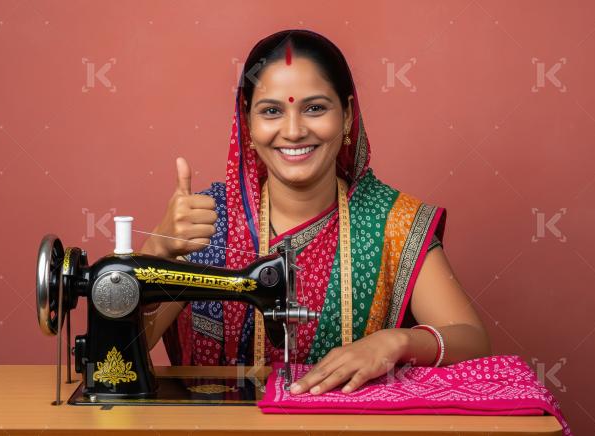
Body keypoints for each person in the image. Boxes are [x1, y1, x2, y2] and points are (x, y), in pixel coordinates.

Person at [139, 29, 491, 395]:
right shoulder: (204, 222)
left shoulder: (394, 223)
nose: (293, 131)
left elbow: (472, 340)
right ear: (247, 121)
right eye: (272, 111)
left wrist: (395, 343)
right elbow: (123, 349)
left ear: (348, 114)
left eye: (315, 108)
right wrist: (157, 247)